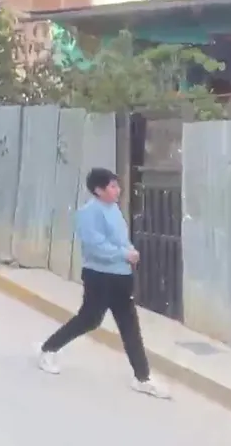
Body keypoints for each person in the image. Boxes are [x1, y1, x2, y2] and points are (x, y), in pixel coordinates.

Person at [36, 167, 170, 399]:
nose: (118, 190)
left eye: (117, 185)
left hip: (121, 277)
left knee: (129, 325)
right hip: (99, 276)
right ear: (98, 190)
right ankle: (48, 349)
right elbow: (95, 246)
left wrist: (130, 251)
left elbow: (120, 239)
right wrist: (124, 254)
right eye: (112, 186)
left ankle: (142, 377)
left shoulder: (114, 209)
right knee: (89, 319)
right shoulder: (89, 213)